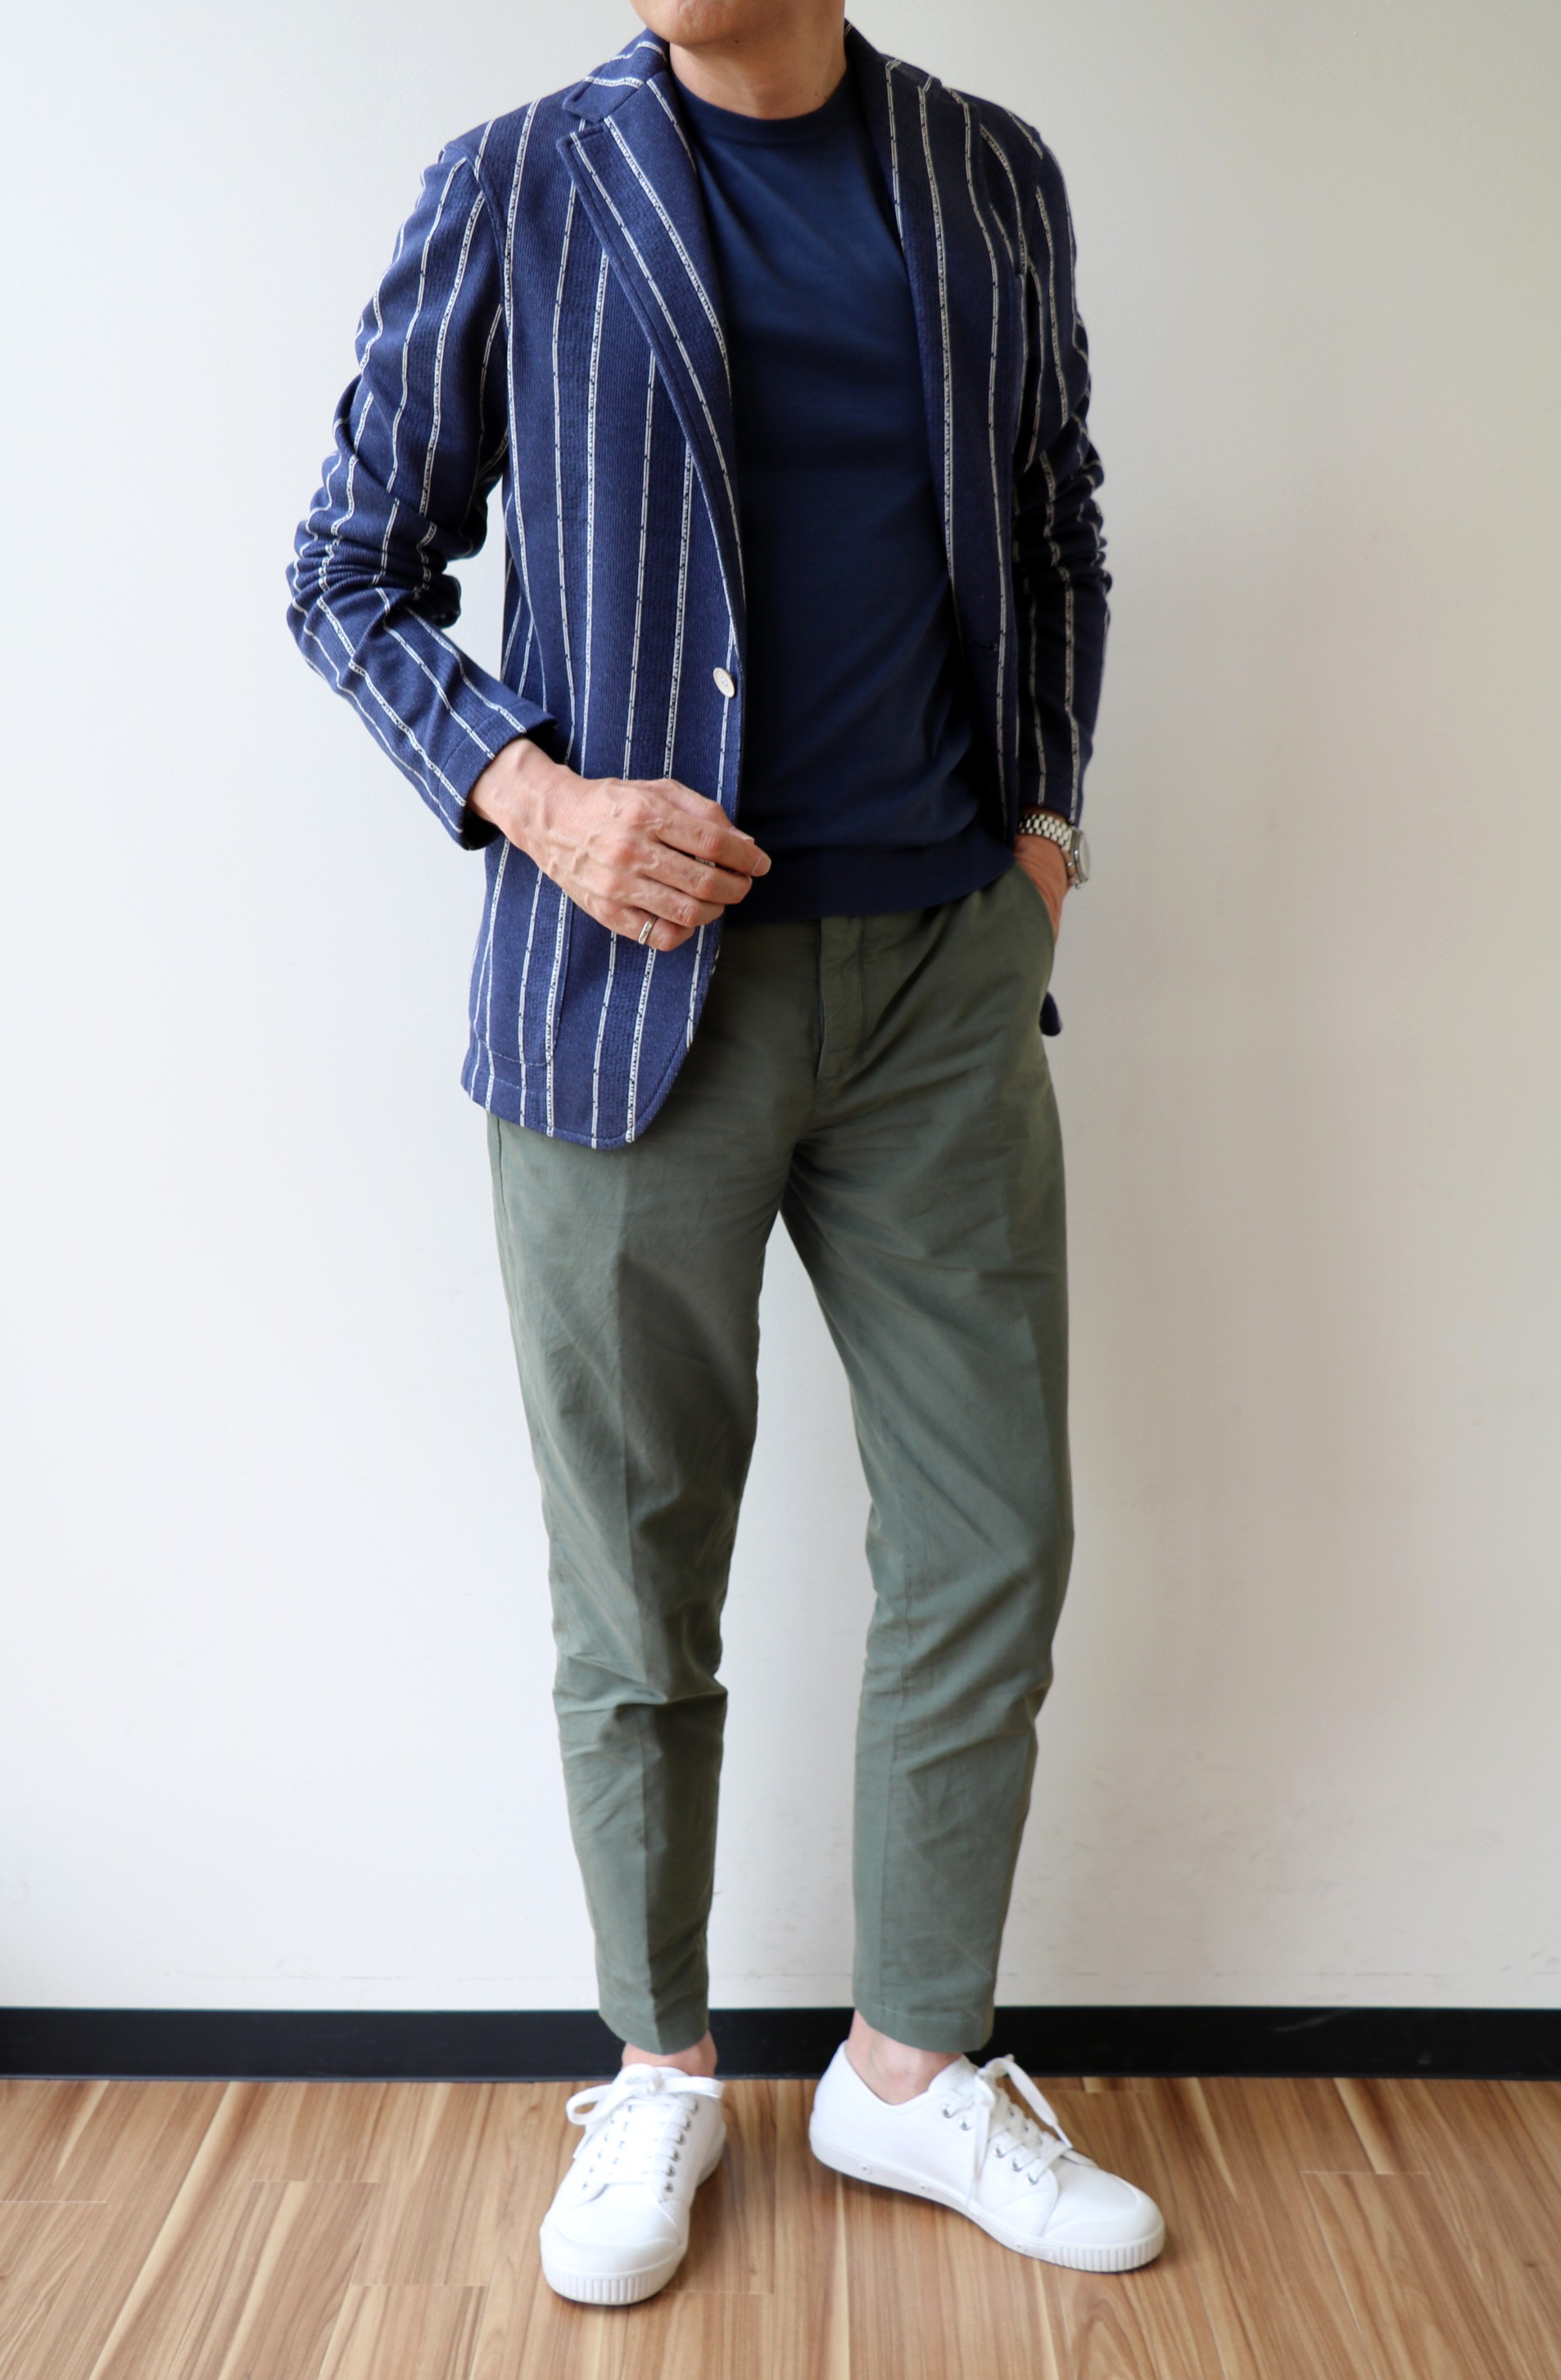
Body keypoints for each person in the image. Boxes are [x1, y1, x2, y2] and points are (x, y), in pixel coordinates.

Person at [288, 0, 1165, 2305]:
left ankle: (909, 2067)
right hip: (621, 1001)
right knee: (638, 1564)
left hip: (940, 984)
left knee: (991, 1539)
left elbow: (1057, 519)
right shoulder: (520, 179)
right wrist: (545, 802)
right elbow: (348, 570)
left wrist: (1044, 831)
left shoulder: (986, 173)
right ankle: (658, 2067)